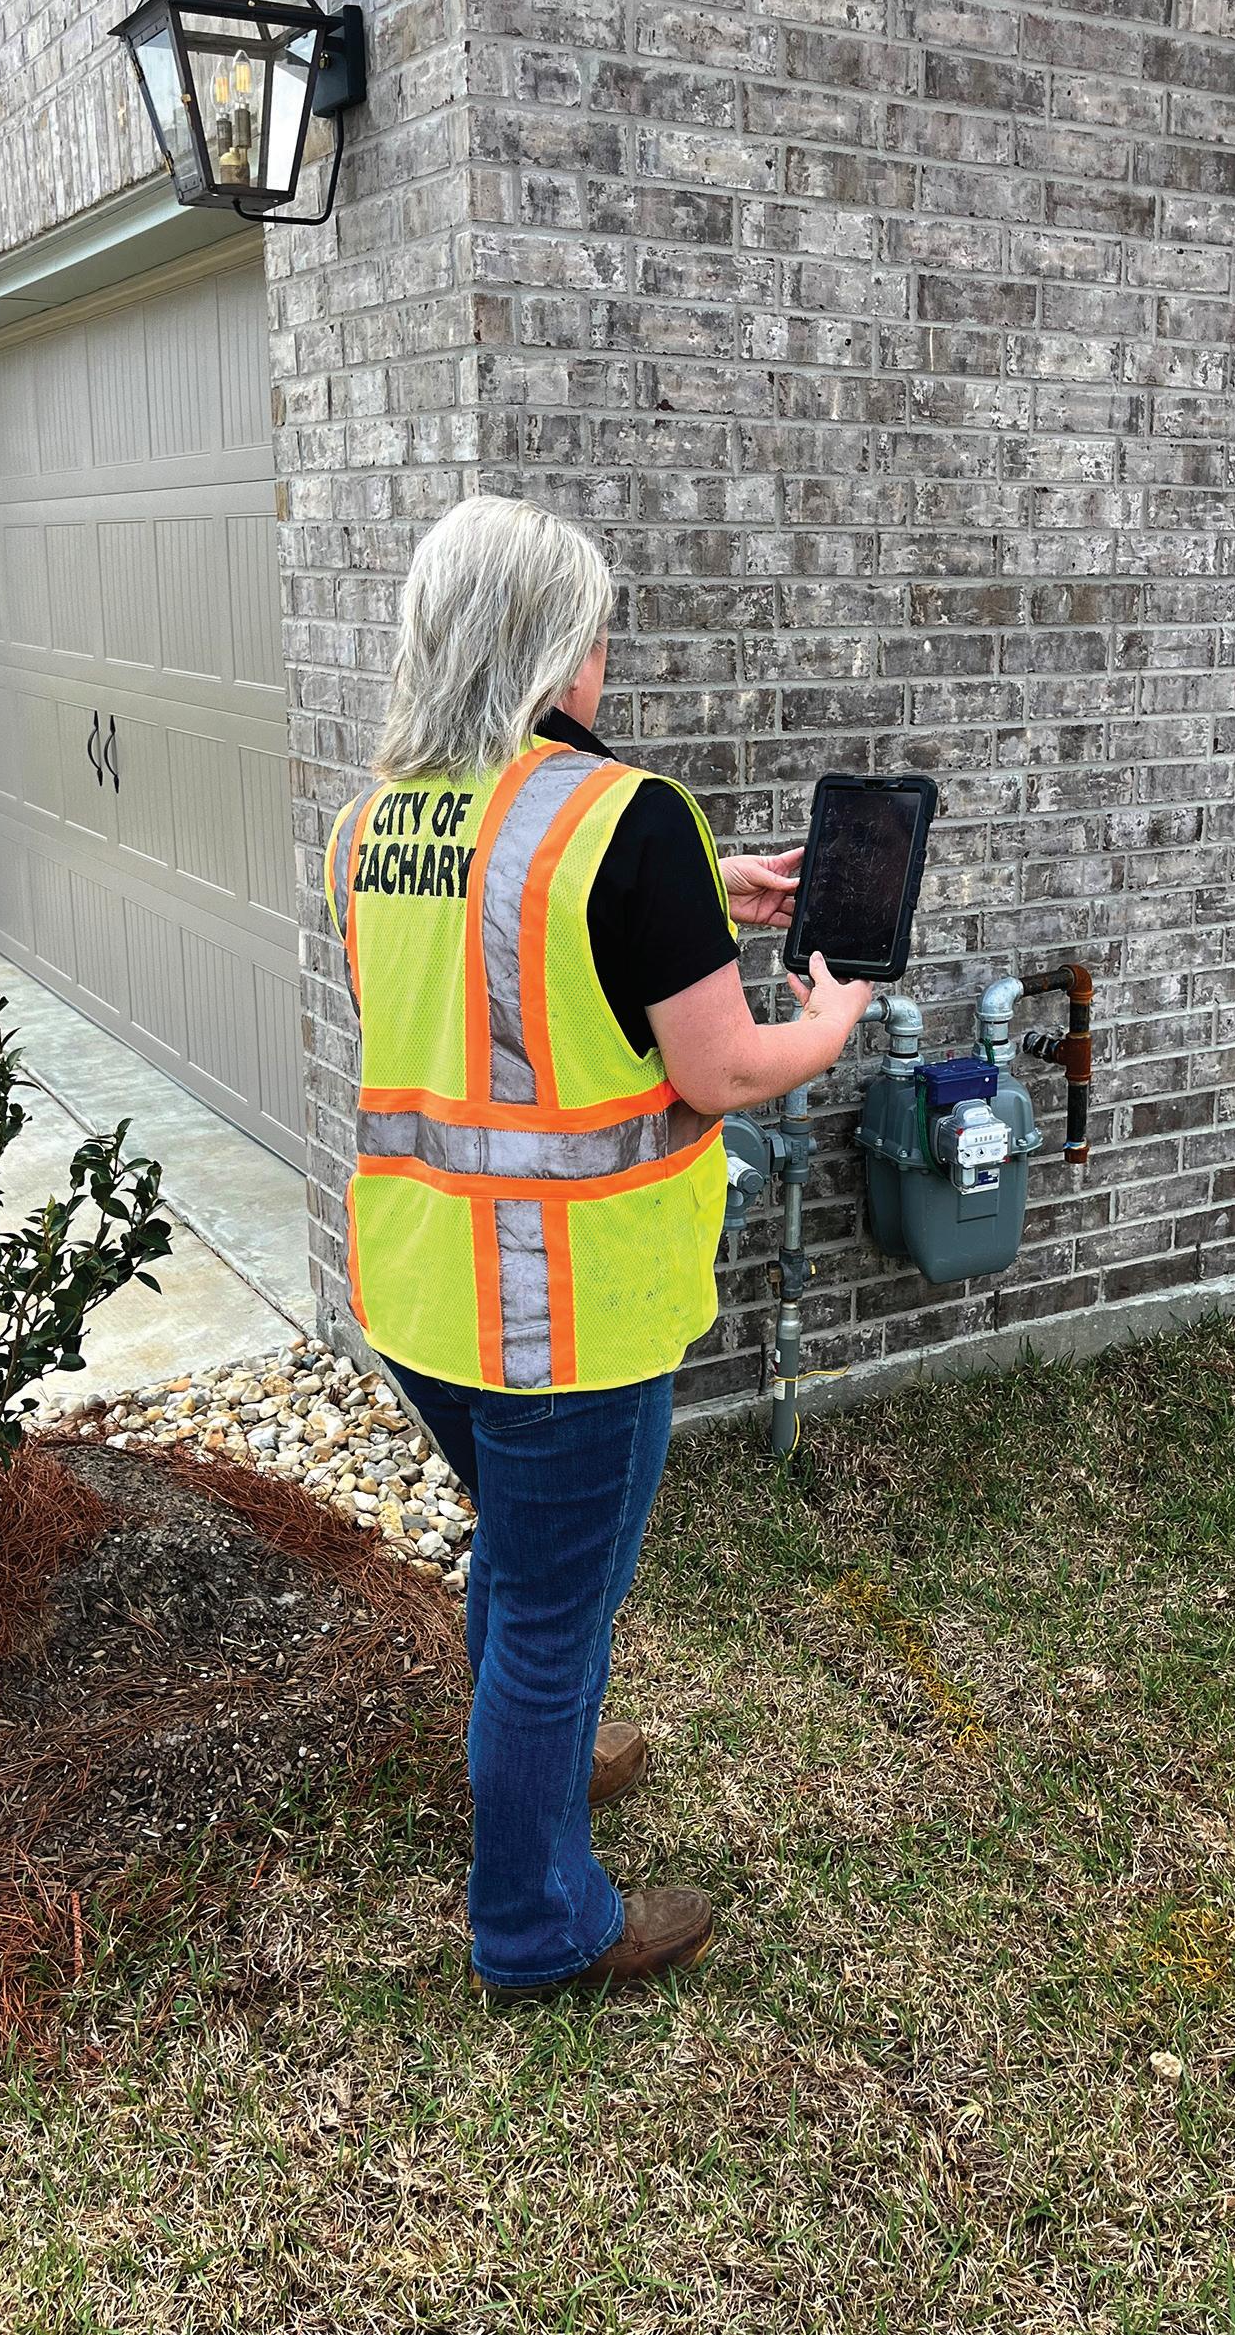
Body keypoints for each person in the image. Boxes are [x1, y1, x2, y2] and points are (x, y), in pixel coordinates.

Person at [324, 496, 872, 1999]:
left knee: (520, 1561)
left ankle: (540, 1759)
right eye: (597, 632)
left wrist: (704, 894)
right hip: (567, 1311)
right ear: (558, 648)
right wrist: (827, 1021)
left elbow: (493, 978)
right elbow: (724, 1068)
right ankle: (539, 1921)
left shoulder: (371, 825)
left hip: (419, 1286)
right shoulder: (627, 819)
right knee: (556, 1614)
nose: (606, 657)